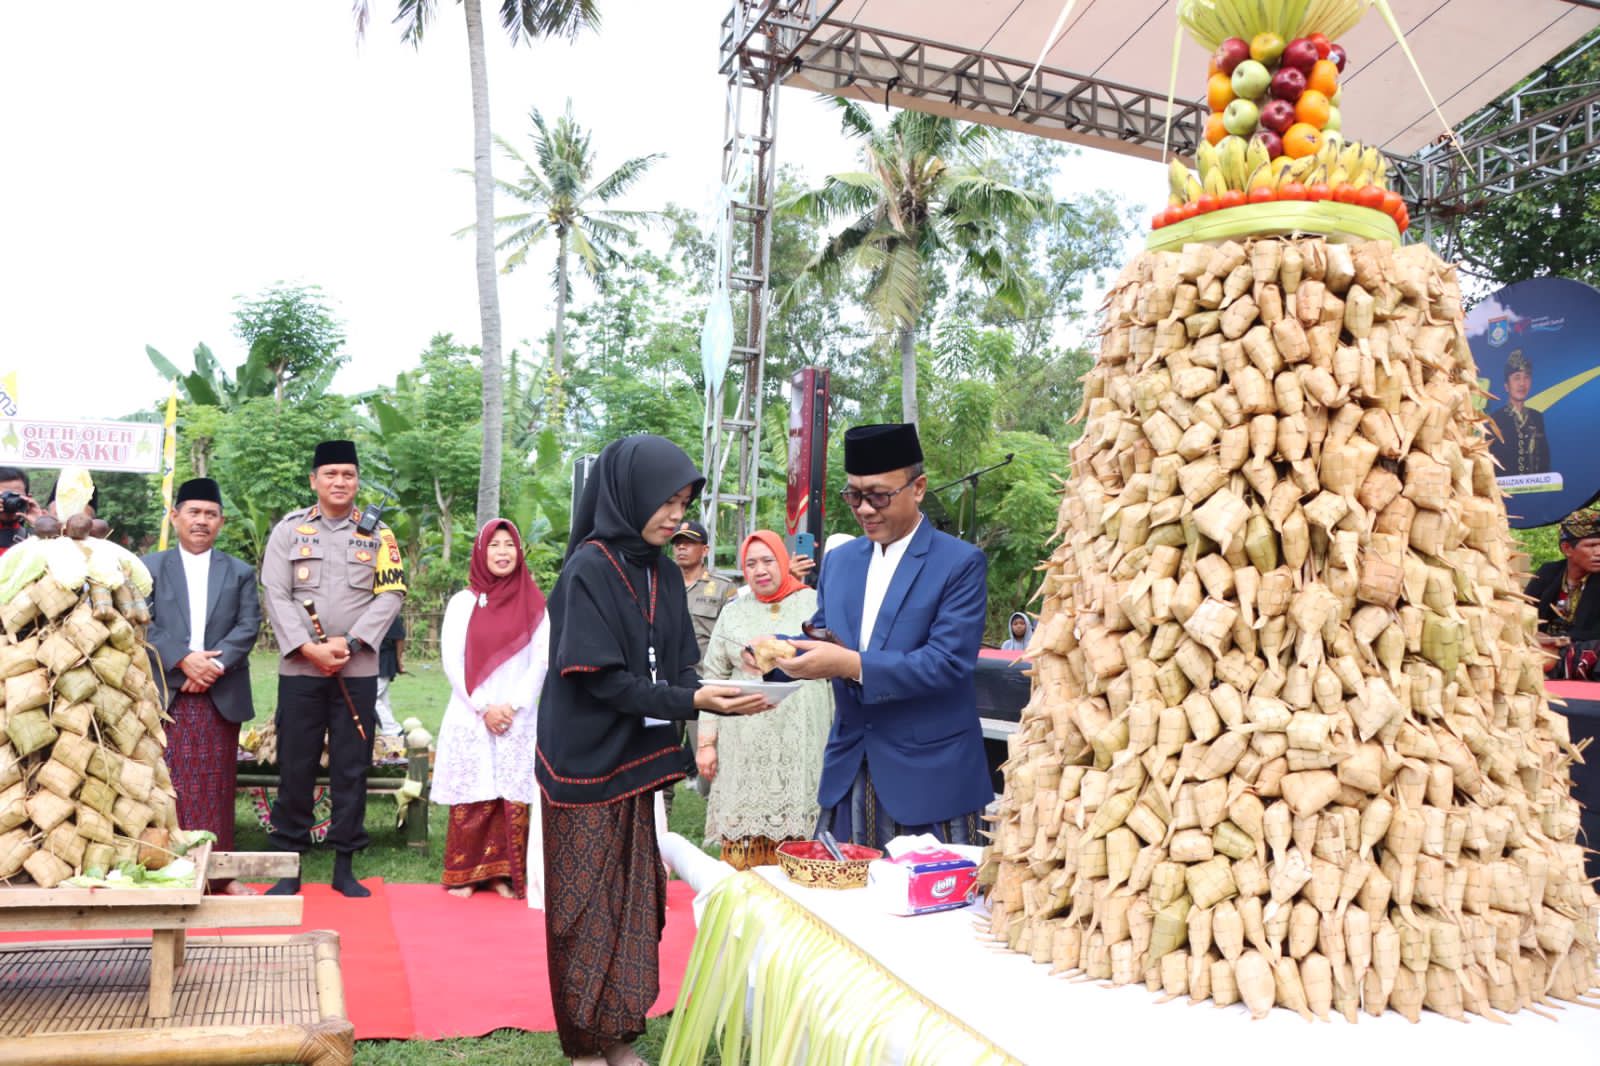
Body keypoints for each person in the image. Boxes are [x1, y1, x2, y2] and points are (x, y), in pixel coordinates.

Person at [536, 434, 772, 1066]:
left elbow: (675, 671)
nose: (676, 516)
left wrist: (733, 684)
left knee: (636, 904)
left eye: (684, 501)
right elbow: (605, 681)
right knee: (583, 909)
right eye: (665, 502)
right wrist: (694, 704)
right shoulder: (587, 569)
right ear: (628, 495)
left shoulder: (663, 569)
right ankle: (585, 1044)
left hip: (639, 763)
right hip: (585, 764)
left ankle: (617, 1033)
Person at [750, 423, 993, 850]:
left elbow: (948, 662)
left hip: (929, 778)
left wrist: (851, 665)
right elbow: (826, 637)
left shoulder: (959, 563)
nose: (863, 509)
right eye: (854, 495)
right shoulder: (842, 561)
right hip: (850, 770)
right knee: (841, 906)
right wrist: (776, 654)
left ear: (917, 488)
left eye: (879, 495)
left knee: (929, 912)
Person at [260, 440, 405, 898]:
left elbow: (391, 594)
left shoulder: (379, 535)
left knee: (351, 767)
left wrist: (353, 641)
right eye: (330, 474)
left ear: (357, 480)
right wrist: (307, 647)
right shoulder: (289, 531)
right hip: (302, 671)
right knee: (295, 766)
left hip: (356, 669)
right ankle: (290, 866)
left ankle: (345, 866)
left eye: (348, 474)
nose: (339, 482)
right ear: (314, 481)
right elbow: (275, 593)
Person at [142, 477, 261, 895]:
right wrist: (182, 660)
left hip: (219, 693)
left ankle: (221, 876)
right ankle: (168, 870)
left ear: (221, 522)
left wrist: (212, 666)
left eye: (210, 514)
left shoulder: (240, 572)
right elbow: (141, 621)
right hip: (166, 694)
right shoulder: (149, 568)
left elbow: (248, 626)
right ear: (175, 517)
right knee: (167, 786)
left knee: (216, 785)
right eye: (193, 512)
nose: (201, 521)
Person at [696, 531, 834, 870]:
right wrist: (706, 743)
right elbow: (713, 675)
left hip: (803, 737)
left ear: (783, 562)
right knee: (745, 844)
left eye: (768, 560)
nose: (760, 570)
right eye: (751, 563)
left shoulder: (814, 604)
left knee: (800, 834)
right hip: (744, 742)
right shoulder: (732, 612)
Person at [433, 519, 547, 902]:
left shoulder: (535, 603)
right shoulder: (463, 603)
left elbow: (541, 661)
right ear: (482, 552)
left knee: (509, 798)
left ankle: (505, 874)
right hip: (472, 712)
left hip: (517, 716)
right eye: (494, 545)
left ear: (519, 552)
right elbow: (453, 660)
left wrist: (512, 707)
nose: (502, 552)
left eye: (509, 545)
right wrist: (483, 707)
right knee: (473, 794)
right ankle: (464, 874)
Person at [671, 518, 737, 798]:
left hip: (705, 684)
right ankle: (658, 826)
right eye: (677, 543)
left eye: (689, 543)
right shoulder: (660, 584)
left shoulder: (723, 588)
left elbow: (733, 636)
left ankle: (714, 822)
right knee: (659, 762)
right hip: (666, 684)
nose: (682, 548)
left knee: (710, 761)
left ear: (705, 550)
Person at [1528, 508, 1600, 679]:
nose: (1599, 552)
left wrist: (1561, 640)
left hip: (1585, 651)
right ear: (1567, 548)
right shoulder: (1548, 573)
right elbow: (1524, 612)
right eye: (1591, 546)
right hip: (1543, 648)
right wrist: (1533, 634)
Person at [1489, 350, 1551, 476]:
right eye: (1517, 377)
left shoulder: (1537, 417)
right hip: (1506, 492)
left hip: (1535, 490)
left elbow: (1545, 459)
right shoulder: (1495, 419)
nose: (1522, 383)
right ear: (1506, 385)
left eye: (1526, 377)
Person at [374, 614, 406, 737]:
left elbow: (400, 638)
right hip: (374, 659)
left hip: (385, 659)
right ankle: (392, 733)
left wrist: (399, 660)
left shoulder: (390, 613)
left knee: (371, 697)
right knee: (382, 699)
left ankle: (393, 730)